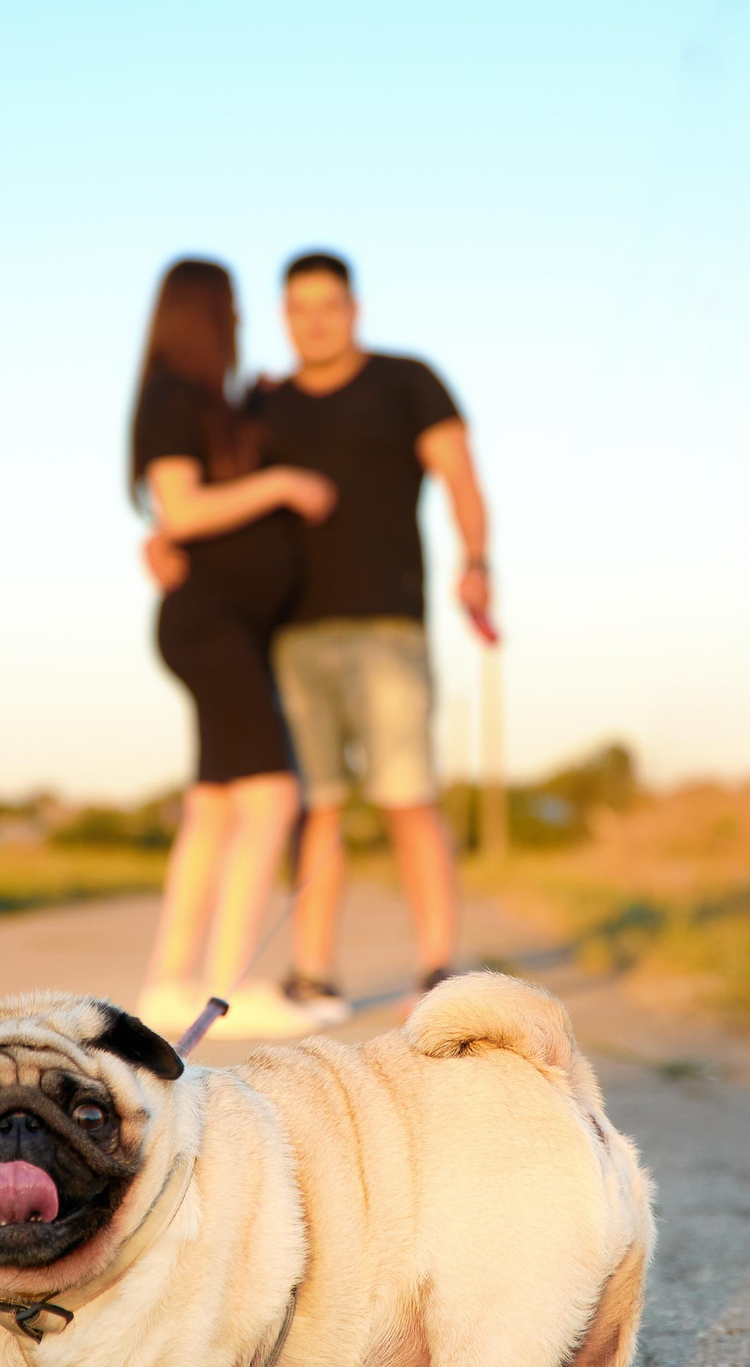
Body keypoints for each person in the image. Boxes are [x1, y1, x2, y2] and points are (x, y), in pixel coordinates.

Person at [255, 250, 491, 1022]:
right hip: (292, 628)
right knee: (317, 806)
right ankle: (313, 973)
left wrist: (476, 561)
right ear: (285, 316)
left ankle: (438, 967)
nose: (316, 320)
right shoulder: (265, 405)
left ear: (353, 308)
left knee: (406, 796)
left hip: (388, 623)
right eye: (300, 308)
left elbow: (459, 474)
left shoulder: (406, 380)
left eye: (329, 304)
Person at [128, 258, 339, 1042]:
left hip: (223, 623)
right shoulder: (171, 397)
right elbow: (180, 506)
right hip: (207, 623)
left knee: (215, 807)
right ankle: (228, 990)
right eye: (235, 310)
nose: (245, 322)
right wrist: (282, 484)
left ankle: (168, 982)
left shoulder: (216, 402)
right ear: (206, 315)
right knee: (272, 796)